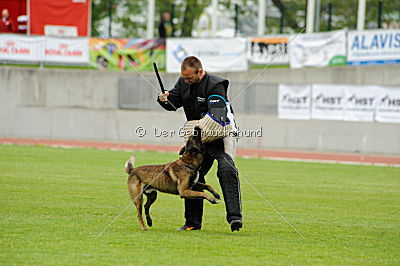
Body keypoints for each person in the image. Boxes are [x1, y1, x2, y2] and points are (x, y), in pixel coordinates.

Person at [157, 56, 243, 232]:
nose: (186, 81)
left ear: (200, 72)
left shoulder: (216, 84)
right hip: (199, 136)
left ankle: (235, 217)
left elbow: (218, 115)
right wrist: (164, 99)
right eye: (184, 78)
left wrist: (195, 131)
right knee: (191, 175)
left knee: (226, 169)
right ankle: (192, 223)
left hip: (221, 131)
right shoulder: (183, 83)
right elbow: (173, 103)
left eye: (189, 78)